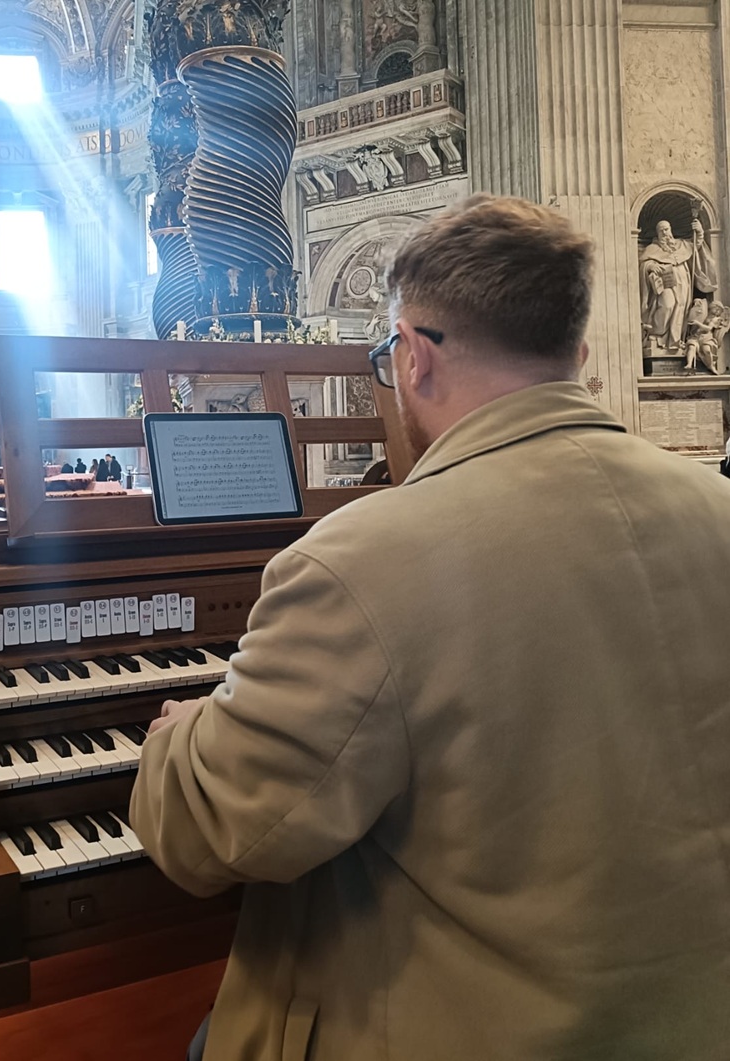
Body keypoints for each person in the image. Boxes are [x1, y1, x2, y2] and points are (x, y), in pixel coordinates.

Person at [130, 195, 730, 1061]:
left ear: (411, 355)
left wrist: (178, 740)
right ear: (579, 354)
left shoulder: (361, 560)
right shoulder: (715, 507)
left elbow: (209, 835)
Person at [639, 217, 717, 353]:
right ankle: (657, 335)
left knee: (681, 307)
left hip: (683, 281)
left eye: (666, 229)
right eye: (661, 230)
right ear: (657, 233)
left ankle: (675, 341)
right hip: (665, 281)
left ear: (671, 230)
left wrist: (699, 231)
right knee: (667, 304)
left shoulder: (681, 244)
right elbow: (643, 263)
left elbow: (696, 245)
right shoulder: (652, 249)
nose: (665, 233)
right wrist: (651, 266)